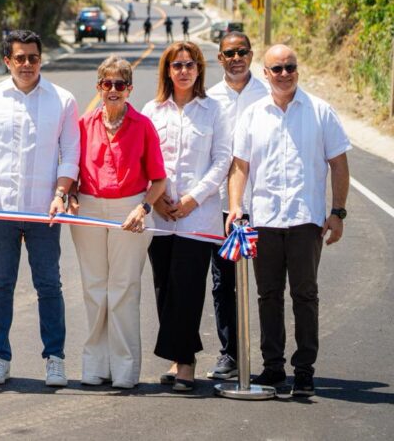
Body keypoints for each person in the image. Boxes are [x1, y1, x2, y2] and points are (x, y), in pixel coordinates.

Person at [227, 44, 351, 397]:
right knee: (268, 295)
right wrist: (236, 205)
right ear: (265, 74)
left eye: (290, 67)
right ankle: (273, 368)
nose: (284, 74)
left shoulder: (320, 112)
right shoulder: (253, 114)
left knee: (305, 295)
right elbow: (240, 166)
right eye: (277, 69)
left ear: (298, 69)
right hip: (263, 219)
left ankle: (305, 370)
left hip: (305, 220)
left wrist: (338, 212)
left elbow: (339, 164)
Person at [0, 30, 80, 387]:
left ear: (40, 59)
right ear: (7, 61)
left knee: (48, 284)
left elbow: (71, 154)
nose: (28, 64)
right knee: (1, 284)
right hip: (0, 210)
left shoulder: (62, 100)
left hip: (43, 212)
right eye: (20, 58)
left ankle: (55, 359)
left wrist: (60, 194)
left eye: (33, 57)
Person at [69, 55, 167, 389]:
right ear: (98, 87)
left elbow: (158, 180)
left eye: (120, 85)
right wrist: (68, 194)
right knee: (95, 288)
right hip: (90, 208)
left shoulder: (142, 125)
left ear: (129, 89)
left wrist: (143, 208)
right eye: (107, 84)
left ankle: (125, 370)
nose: (113, 90)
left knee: (123, 289)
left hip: (129, 208)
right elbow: (70, 169)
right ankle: (96, 366)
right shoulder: (83, 125)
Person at [142, 42, 230, 392]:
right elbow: (144, 159)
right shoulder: (152, 110)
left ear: (199, 70)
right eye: (176, 65)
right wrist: (158, 199)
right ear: (167, 70)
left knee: (188, 289)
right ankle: (178, 356)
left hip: (199, 218)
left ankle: (187, 364)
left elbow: (222, 160)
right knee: (164, 288)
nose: (183, 71)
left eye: (189, 65)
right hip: (161, 218)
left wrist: (194, 199)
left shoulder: (214, 110)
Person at [204, 31, 269, 381]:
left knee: (267, 283)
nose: (236, 58)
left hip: (263, 205)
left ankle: (271, 360)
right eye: (229, 53)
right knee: (222, 282)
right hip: (222, 208)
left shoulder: (269, 94)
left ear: (251, 55)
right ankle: (230, 353)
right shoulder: (210, 99)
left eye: (242, 52)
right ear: (220, 58)